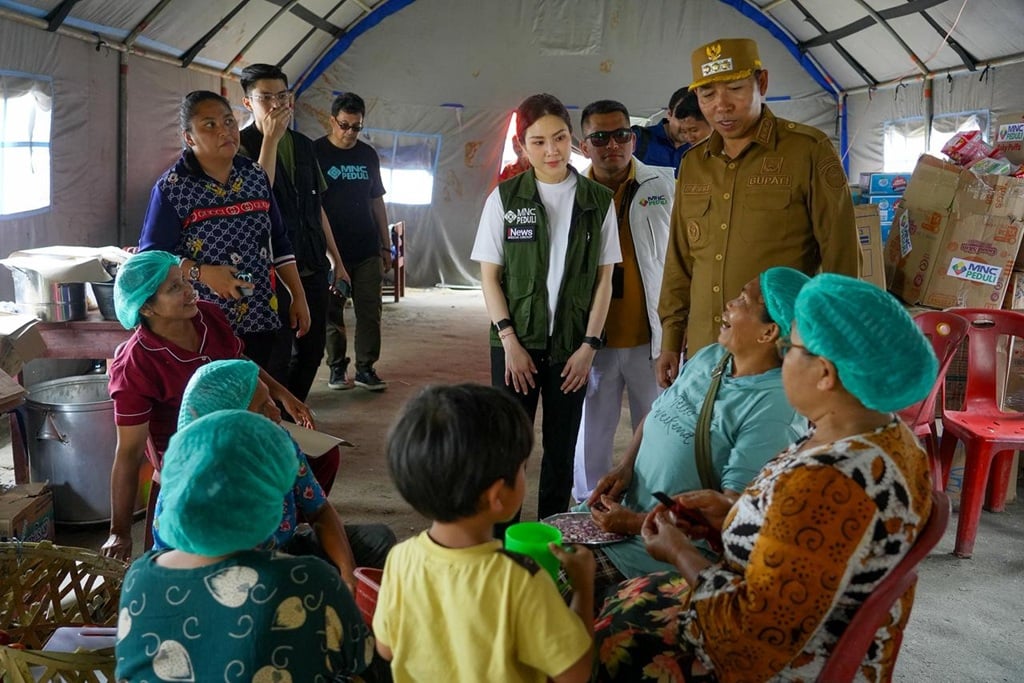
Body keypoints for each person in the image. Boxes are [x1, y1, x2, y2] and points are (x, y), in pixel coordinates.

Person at [592, 274, 938, 682]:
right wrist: (733, 514)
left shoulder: (828, 484)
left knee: (603, 634)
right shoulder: (885, 437)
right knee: (614, 603)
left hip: (779, 661)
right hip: (790, 620)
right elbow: (799, 538)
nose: (781, 358)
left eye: (790, 348)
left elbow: (745, 643)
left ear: (825, 373)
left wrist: (679, 551)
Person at [579, 268, 808, 593]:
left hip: (654, 551)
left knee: (532, 591)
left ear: (769, 332)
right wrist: (625, 466)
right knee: (518, 561)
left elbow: (732, 515)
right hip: (622, 516)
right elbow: (658, 413)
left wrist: (633, 523)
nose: (728, 304)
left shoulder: (775, 408)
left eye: (743, 300)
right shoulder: (713, 357)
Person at [656, 37, 860, 389]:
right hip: (706, 347)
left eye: (735, 88)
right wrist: (672, 338)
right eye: (707, 96)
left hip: (778, 350)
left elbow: (840, 258)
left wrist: (832, 345)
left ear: (761, 83)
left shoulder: (807, 150)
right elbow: (680, 258)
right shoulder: (693, 163)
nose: (721, 107)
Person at [115, 410, 372, 682]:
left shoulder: (139, 578)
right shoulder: (309, 580)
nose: (273, 410)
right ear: (267, 497)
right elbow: (360, 658)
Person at [102, 250, 314, 563]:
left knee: (318, 457)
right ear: (146, 306)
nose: (190, 291)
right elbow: (129, 453)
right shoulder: (135, 364)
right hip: (191, 459)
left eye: (183, 280)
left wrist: (283, 395)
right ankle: (261, 551)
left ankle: (282, 536)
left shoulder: (208, 316)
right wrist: (119, 530)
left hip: (237, 430)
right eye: (174, 288)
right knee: (265, 472)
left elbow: (239, 363)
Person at [374, 384, 595, 682]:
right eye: (521, 468)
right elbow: (575, 673)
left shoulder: (400, 559)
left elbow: (386, 648)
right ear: (497, 496)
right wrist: (582, 587)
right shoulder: (520, 579)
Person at [470, 93, 621, 522]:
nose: (551, 150)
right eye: (538, 142)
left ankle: (551, 537)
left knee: (561, 447)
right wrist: (509, 341)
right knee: (508, 450)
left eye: (558, 138)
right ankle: (504, 542)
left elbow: (605, 280)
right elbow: (489, 277)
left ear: (572, 138)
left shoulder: (597, 200)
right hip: (514, 345)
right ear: (522, 146)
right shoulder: (505, 199)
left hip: (572, 349)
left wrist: (589, 345)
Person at [151, 358, 396, 593]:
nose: (276, 413)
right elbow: (181, 569)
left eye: (270, 399)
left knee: (378, 541)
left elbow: (319, 509)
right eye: (261, 407)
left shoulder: (278, 444)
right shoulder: (191, 480)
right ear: (228, 421)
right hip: (217, 578)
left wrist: (347, 571)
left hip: (278, 552)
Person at [138, 90, 310, 372]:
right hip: (200, 323)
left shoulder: (254, 176)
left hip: (259, 314)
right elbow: (152, 260)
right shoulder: (172, 188)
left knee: (256, 394)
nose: (225, 131)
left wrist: (298, 295)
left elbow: (278, 241)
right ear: (189, 137)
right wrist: (202, 273)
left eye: (229, 121)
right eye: (210, 125)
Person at [571, 99, 674, 502]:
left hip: (651, 335)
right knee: (593, 425)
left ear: (633, 139)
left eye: (621, 135)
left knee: (655, 424)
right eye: (600, 137)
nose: (612, 144)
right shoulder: (571, 193)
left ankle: (648, 502)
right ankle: (586, 503)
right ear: (584, 146)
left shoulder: (664, 187)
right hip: (594, 337)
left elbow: (682, 259)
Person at [238, 63, 346, 401]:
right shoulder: (240, 146)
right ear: (248, 103)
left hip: (311, 262)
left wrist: (337, 259)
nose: (275, 105)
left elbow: (318, 208)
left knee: (313, 351)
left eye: (281, 96)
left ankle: (293, 413)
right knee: (277, 354)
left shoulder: (303, 145)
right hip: (269, 269)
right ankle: (277, 421)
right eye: (265, 97)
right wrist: (269, 140)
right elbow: (259, 194)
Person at [314, 91, 392, 391]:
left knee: (370, 312)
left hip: (366, 248)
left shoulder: (367, 155)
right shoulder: (316, 153)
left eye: (356, 127)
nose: (349, 133)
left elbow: (377, 202)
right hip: (331, 252)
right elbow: (312, 206)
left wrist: (386, 245)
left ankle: (365, 368)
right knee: (332, 313)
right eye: (344, 125)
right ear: (332, 120)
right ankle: (336, 368)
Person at [631, 86, 693, 172]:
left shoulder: (701, 151)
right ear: (669, 114)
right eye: (682, 117)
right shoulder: (638, 139)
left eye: (697, 119)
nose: (688, 126)